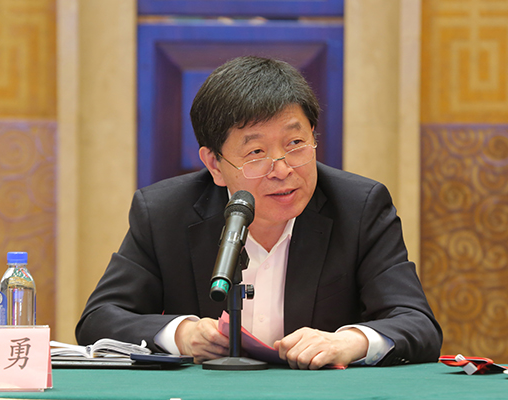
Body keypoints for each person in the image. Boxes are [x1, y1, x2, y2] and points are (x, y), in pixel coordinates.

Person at [76, 56, 442, 369]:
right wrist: (180, 334)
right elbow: (99, 318)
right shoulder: (163, 213)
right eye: (256, 153)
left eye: (295, 143)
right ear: (214, 165)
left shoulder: (359, 207)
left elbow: (418, 323)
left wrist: (350, 341)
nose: (282, 169)